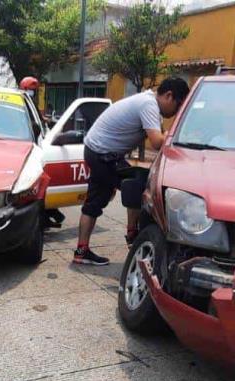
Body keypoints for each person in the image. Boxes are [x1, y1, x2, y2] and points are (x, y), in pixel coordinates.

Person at [73, 77, 190, 265]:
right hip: (101, 154)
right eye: (178, 106)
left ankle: (126, 235)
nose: (176, 113)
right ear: (169, 96)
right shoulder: (148, 105)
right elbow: (157, 141)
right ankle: (92, 248)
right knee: (112, 194)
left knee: (133, 184)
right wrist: (174, 135)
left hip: (106, 153)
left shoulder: (149, 104)